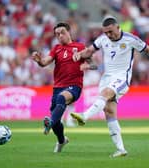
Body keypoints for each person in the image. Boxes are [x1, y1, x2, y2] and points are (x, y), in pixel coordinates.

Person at [71, 16, 149, 157]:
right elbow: (89, 51)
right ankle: (121, 149)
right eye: (106, 32)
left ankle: (84, 116)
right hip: (106, 78)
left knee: (106, 93)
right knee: (109, 111)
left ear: (118, 27)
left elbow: (146, 49)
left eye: (111, 31)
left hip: (122, 79)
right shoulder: (103, 39)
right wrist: (79, 54)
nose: (108, 35)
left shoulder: (131, 39)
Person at [31, 22, 86, 153]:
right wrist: (39, 60)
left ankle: (49, 122)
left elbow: (92, 63)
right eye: (57, 34)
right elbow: (45, 63)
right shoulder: (56, 48)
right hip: (58, 87)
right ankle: (61, 140)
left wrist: (85, 65)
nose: (60, 36)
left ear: (69, 32)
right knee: (56, 121)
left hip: (74, 86)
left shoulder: (80, 46)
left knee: (61, 99)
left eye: (62, 33)